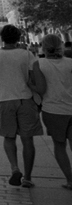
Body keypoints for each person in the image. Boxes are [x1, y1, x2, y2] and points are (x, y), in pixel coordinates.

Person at [0, 24, 43, 188]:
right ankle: (28, 177)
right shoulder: (27, 55)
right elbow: (33, 77)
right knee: (27, 139)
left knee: (8, 137)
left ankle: (14, 168)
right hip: (25, 99)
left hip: (4, 100)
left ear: (1, 38)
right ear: (18, 38)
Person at [30, 34, 72, 190]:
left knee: (60, 146)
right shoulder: (70, 63)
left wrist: (30, 85)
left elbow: (41, 89)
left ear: (43, 46)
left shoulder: (39, 64)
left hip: (53, 110)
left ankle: (70, 180)